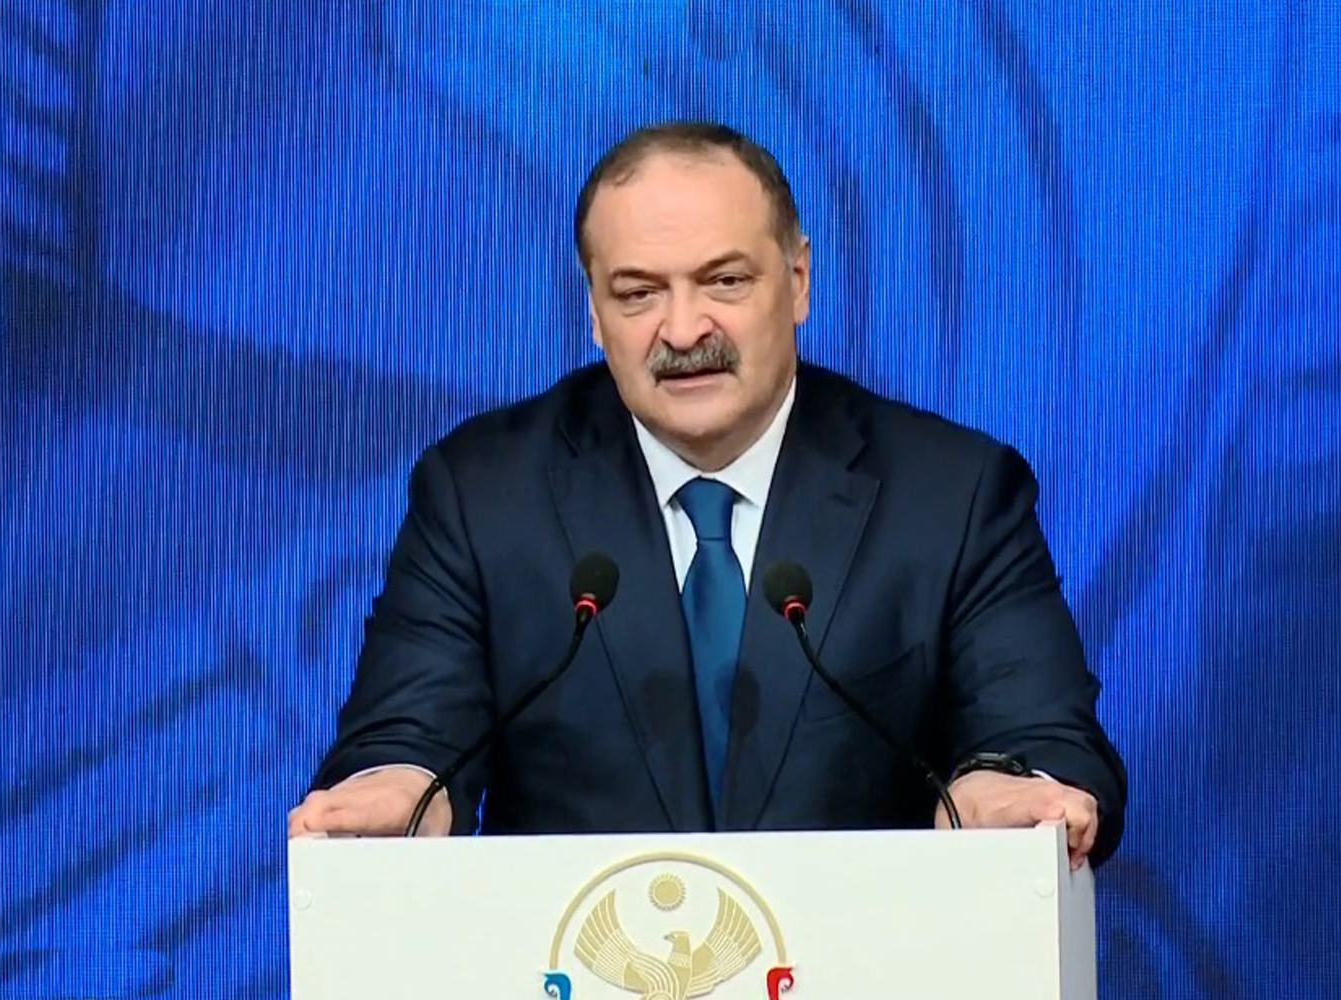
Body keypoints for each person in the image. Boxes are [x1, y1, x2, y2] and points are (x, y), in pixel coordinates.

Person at [288, 122, 1126, 868]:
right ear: (594, 311)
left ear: (798, 281)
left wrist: (1010, 786)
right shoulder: (483, 494)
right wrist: (401, 787)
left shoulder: (951, 494)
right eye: (638, 293)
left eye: (724, 282)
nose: (685, 330)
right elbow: (409, 735)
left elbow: (1039, 736)